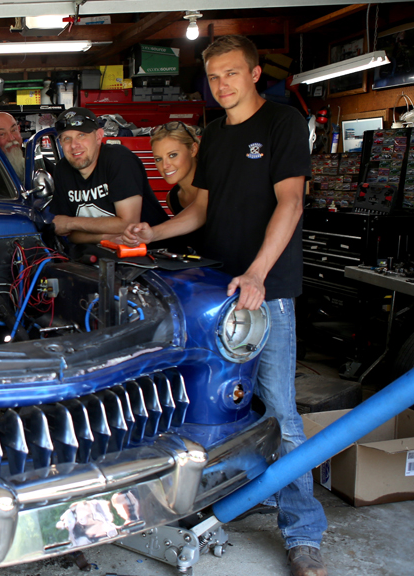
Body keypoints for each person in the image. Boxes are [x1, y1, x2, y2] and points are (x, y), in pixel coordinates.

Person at [123, 35, 328, 576]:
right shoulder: (213, 135)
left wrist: (257, 273)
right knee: (215, 403)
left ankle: (303, 532)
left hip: (265, 291)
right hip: (217, 292)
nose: (222, 84)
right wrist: (153, 233)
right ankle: (220, 500)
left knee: (279, 409)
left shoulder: (282, 124)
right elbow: (202, 213)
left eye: (232, 73)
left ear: (255, 74)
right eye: (214, 77)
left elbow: (291, 203)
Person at [50, 107, 168, 246]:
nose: (74, 145)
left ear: (99, 136)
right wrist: (104, 238)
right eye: (66, 138)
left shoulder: (119, 159)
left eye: (81, 135)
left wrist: (71, 223)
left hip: (153, 251)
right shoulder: (62, 170)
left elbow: (128, 223)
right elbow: (68, 233)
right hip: (101, 254)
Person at [150, 121, 203, 252]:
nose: (165, 166)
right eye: (158, 159)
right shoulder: (173, 198)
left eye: (172, 155)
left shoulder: (216, 188)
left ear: (193, 150)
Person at [0, 112, 27, 181]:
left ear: (19, 129)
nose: (11, 138)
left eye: (14, 130)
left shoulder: (32, 156)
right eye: (2, 134)